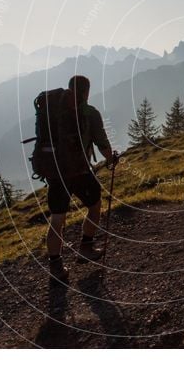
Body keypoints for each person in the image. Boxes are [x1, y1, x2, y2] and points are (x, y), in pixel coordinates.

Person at [46, 75, 114, 281]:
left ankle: (56, 267)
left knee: (57, 219)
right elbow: (101, 142)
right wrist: (111, 159)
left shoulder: (53, 112)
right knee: (94, 206)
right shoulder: (89, 113)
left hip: (56, 172)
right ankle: (86, 246)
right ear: (86, 91)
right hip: (79, 172)